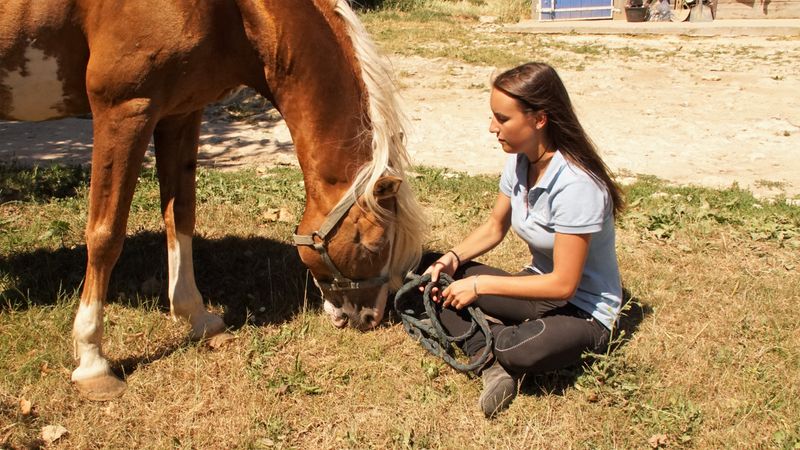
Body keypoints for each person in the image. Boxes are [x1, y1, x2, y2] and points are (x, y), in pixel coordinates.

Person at [420, 62, 625, 418]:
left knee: (519, 349)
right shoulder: (520, 161)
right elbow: (494, 227)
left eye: (502, 118)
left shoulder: (577, 185)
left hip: (585, 311)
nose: (491, 127)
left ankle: (492, 349)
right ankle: (493, 361)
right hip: (536, 287)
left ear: (539, 119)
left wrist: (480, 287)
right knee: (433, 279)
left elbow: (563, 285)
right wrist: (450, 258)